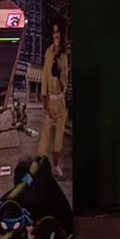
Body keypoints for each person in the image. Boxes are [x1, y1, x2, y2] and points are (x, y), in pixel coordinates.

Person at [39, 20, 69, 178]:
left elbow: (66, 79)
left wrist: (59, 75)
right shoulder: (48, 52)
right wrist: (45, 101)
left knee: (59, 136)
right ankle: (41, 166)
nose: (56, 35)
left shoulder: (63, 55)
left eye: (58, 32)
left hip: (60, 101)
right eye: (53, 32)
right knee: (45, 134)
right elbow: (44, 75)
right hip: (50, 99)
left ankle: (56, 165)